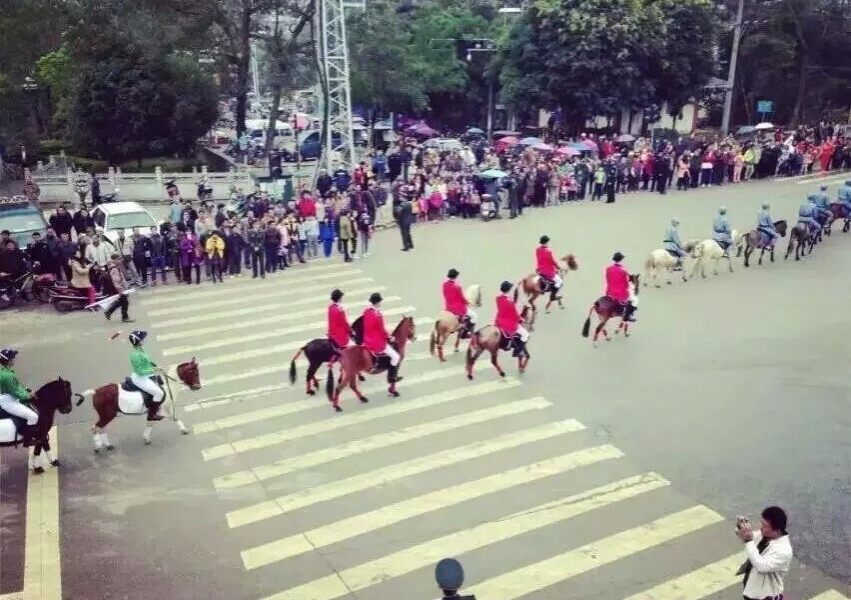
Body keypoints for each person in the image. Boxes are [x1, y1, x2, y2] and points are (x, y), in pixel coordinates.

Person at [735, 506, 793, 600]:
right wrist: (741, 527)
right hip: (752, 591)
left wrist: (749, 541)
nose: (761, 528)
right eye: (761, 524)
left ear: (777, 530)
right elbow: (746, 536)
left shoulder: (784, 551)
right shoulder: (764, 535)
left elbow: (762, 566)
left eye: (765, 526)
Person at [362, 292, 402, 383]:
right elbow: (381, 330)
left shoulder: (366, 311)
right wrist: (389, 337)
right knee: (396, 356)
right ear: (377, 302)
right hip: (377, 343)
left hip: (367, 340)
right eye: (380, 301)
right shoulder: (378, 315)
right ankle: (392, 377)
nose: (380, 303)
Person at [127, 331, 165, 421]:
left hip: (147, 375)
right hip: (141, 378)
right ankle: (152, 415)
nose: (145, 340)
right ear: (138, 341)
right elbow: (139, 371)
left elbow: (148, 361)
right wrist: (154, 370)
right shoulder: (135, 355)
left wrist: (155, 366)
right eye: (143, 339)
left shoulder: (140, 349)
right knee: (159, 393)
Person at [0, 348, 38, 428]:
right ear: (9, 361)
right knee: (33, 417)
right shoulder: (7, 376)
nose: (14, 359)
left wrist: (27, 390)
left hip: (10, 398)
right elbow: (14, 392)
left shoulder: (6, 371)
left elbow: (18, 386)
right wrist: (28, 396)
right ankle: (28, 439)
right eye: (13, 357)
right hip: (9, 402)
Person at [495, 281, 529, 358]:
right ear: (509, 289)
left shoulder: (498, 299)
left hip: (499, 321)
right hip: (508, 323)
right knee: (525, 335)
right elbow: (514, 314)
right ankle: (517, 351)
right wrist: (521, 319)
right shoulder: (510, 301)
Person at [605, 252, 636, 322]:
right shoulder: (623, 271)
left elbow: (608, 280)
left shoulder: (608, 269)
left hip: (609, 292)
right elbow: (626, 285)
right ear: (621, 260)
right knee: (633, 300)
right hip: (620, 294)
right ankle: (628, 316)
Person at [102, 253, 132, 322]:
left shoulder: (115, 267)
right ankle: (124, 317)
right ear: (114, 260)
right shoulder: (114, 269)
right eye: (119, 259)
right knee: (125, 302)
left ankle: (109, 312)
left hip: (121, 288)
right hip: (119, 289)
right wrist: (120, 291)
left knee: (122, 301)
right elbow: (116, 281)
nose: (121, 260)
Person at [535, 235, 562, 301]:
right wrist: (557, 266)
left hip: (539, 269)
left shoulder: (537, 249)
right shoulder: (548, 251)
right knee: (559, 281)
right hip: (547, 271)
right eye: (548, 242)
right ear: (546, 242)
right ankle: (553, 296)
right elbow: (552, 261)